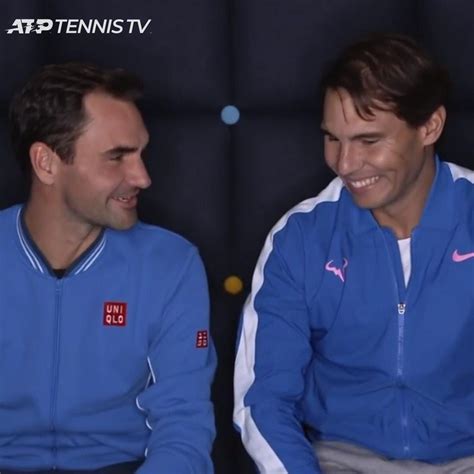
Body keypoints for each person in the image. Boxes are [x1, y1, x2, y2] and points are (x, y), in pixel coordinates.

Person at [234, 33, 474, 473]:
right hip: (340, 460)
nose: (344, 163)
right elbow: (263, 399)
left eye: (368, 140)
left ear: (430, 127)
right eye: (333, 138)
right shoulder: (300, 237)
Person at [0, 63, 216, 473]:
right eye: (117, 157)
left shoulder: (171, 264)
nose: (143, 177)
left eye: (141, 153)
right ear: (46, 163)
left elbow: (184, 427)